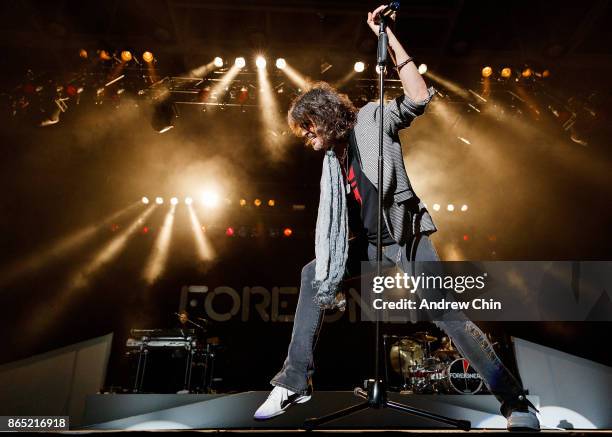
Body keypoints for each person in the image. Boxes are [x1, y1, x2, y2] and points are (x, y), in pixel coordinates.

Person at [254, 5, 540, 431]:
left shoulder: (371, 117)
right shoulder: (334, 159)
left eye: (310, 128)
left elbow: (418, 98)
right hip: (370, 243)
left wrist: (388, 39)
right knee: (314, 273)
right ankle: (294, 380)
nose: (307, 138)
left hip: (406, 234)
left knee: (445, 313)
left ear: (327, 117)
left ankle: (515, 404)